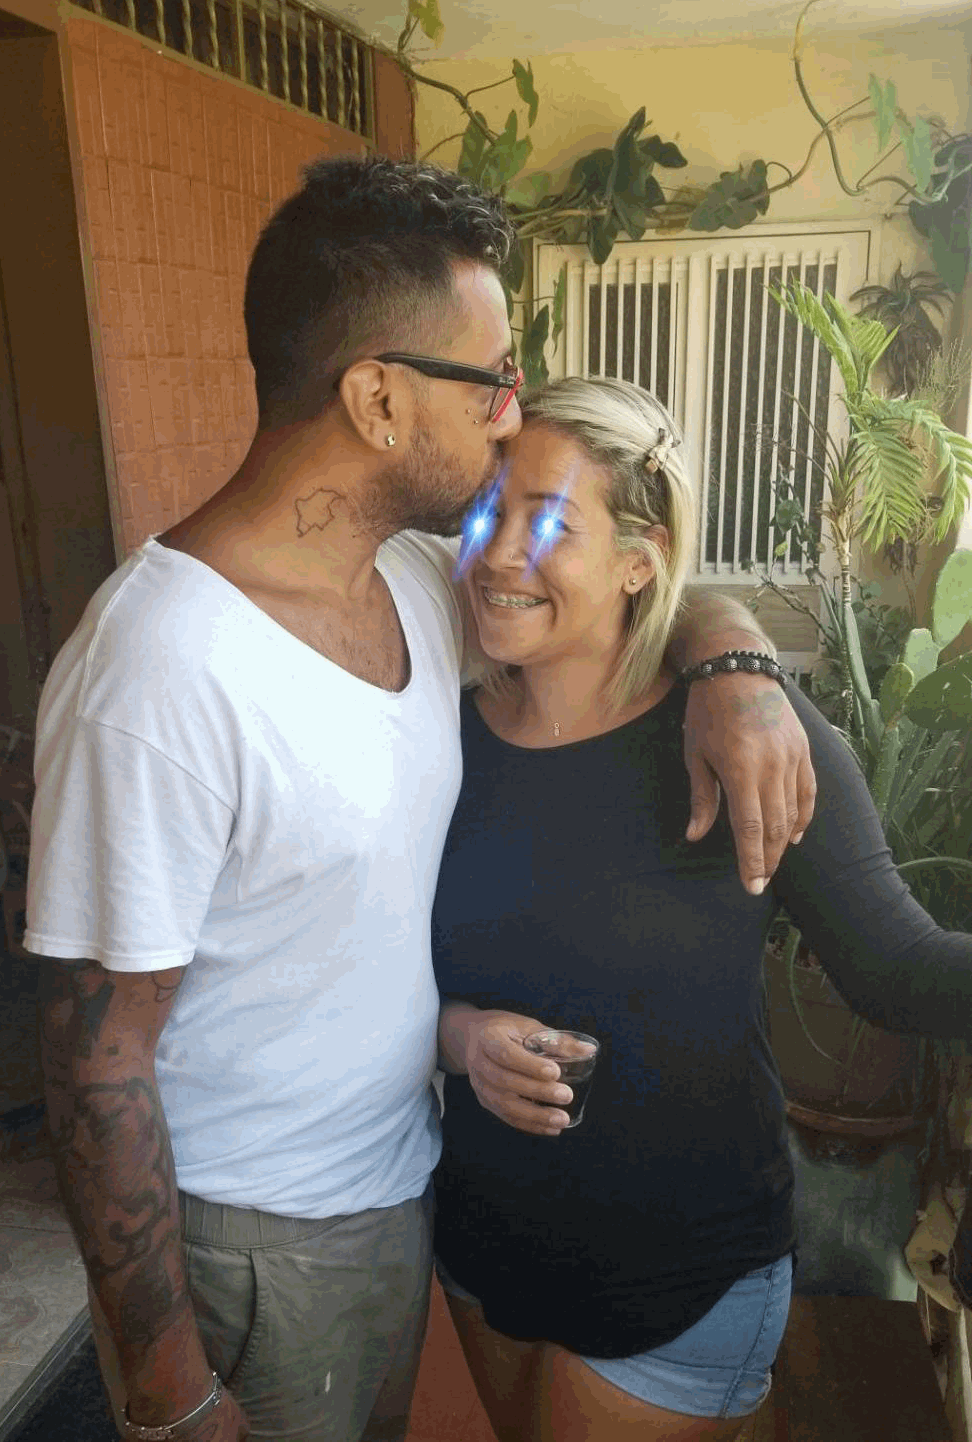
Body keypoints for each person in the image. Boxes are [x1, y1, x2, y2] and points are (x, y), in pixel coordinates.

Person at [28, 158, 814, 1442]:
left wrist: (735, 665)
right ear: (379, 397)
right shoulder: (159, 667)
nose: (513, 415)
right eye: (492, 380)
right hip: (255, 1244)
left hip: (402, 1192)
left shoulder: (411, 580)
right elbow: (91, 1061)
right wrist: (165, 1385)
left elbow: (607, 582)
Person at [431, 374, 972, 1442]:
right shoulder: (442, 739)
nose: (497, 554)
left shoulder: (743, 734)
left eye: (551, 523)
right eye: (488, 511)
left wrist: (735, 662)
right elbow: (385, 969)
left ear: (642, 558)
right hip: (484, 1247)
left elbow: (896, 967)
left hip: (680, 1274)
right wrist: (456, 1035)